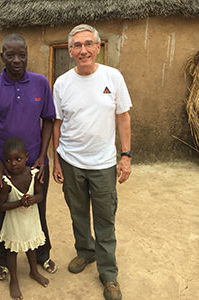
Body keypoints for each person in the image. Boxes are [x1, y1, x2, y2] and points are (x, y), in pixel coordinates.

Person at [52, 24, 132, 300]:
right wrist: (57, 160)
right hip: (71, 161)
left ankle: (109, 274)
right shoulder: (61, 83)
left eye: (88, 44)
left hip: (103, 165)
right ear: (70, 51)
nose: (83, 50)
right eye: (77, 45)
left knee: (105, 219)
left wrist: (126, 155)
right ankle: (85, 252)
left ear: (98, 47)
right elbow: (57, 124)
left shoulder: (113, 77)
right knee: (77, 213)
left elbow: (123, 116)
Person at [0, 33, 57, 281]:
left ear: (27, 55)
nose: (17, 60)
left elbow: (48, 120)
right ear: (2, 56)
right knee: (4, 213)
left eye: (22, 55)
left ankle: (42, 255)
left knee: (37, 208)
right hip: (2, 168)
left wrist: (43, 156)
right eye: (10, 55)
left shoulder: (40, 83)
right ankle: (3, 260)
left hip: (34, 165)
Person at [0, 137, 49, 300]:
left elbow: (40, 194)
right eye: (8, 160)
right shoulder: (6, 181)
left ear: (26, 157)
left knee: (31, 246)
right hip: (14, 223)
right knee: (12, 251)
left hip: (30, 221)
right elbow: (1, 206)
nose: (13, 164)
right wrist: (19, 203)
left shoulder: (33, 175)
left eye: (18, 159)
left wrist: (34, 199)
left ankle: (34, 271)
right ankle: (14, 280)